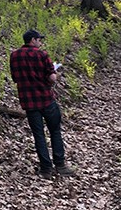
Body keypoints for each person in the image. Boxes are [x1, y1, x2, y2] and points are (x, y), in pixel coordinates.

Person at [9, 29, 76, 179]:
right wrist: (55, 71)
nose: (40, 42)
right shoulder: (42, 55)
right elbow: (52, 78)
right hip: (45, 99)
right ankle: (60, 165)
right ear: (33, 40)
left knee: (38, 134)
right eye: (39, 39)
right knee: (55, 131)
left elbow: (15, 78)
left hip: (29, 102)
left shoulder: (14, 56)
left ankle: (46, 169)